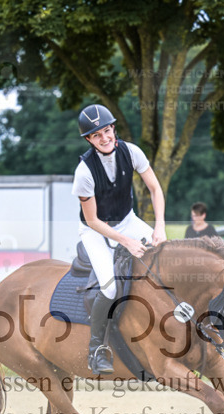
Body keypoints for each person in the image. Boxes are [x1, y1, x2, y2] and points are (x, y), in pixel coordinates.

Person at [72, 103, 167, 374]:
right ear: (89, 139)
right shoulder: (84, 173)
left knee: (166, 256)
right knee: (111, 288)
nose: (105, 138)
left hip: (128, 220)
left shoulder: (132, 151)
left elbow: (154, 188)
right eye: (97, 135)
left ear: (113, 128)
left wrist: (159, 227)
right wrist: (126, 242)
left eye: (107, 130)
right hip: (96, 230)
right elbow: (92, 220)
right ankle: (96, 349)